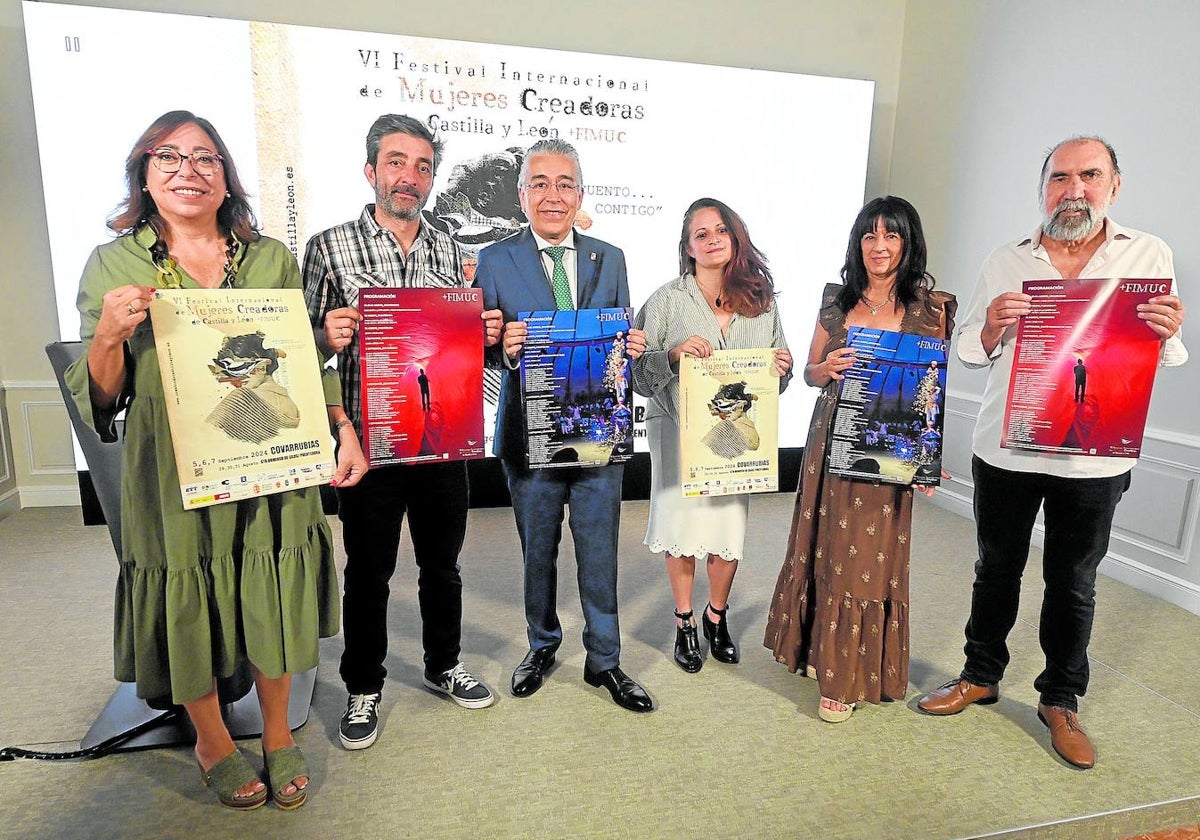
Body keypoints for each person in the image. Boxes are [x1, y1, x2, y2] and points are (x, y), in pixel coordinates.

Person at [65, 110, 367, 810]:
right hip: (173, 467)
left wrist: (340, 427)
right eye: (168, 158)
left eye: (204, 158)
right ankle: (211, 738)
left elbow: (298, 355)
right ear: (144, 174)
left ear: (226, 176)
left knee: (273, 578)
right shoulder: (116, 262)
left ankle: (274, 730)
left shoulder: (269, 259)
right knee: (189, 583)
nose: (188, 171)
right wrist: (109, 334)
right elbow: (102, 392)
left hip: (271, 456)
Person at [916, 136, 1187, 769]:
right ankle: (980, 675)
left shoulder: (1148, 255)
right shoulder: (1006, 260)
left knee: (1074, 583)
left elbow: (1162, 355)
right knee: (995, 569)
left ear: (1113, 185)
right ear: (1043, 189)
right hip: (1006, 450)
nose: (1074, 189)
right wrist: (988, 328)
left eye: (1089, 175)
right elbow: (968, 351)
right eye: (1060, 178)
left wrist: (1170, 335)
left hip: (1094, 458)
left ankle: (1060, 699)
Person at [303, 114, 504, 750]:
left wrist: (484, 335)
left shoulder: (453, 252)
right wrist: (322, 336)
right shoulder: (329, 247)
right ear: (371, 171)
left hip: (442, 438)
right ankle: (363, 686)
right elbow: (295, 352)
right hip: (366, 443)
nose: (408, 177)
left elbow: (461, 349)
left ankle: (445, 664)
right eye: (396, 162)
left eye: (421, 166)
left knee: (442, 567)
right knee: (368, 571)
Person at [473, 138, 653, 712]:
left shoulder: (612, 256)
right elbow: (477, 348)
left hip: (597, 430)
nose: (554, 196)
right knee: (537, 550)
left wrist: (632, 347)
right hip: (529, 434)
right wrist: (501, 345)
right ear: (522, 194)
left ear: (581, 194)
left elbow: (621, 345)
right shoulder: (496, 260)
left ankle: (606, 660)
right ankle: (542, 644)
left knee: (600, 550)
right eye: (541, 184)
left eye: (565, 184)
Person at [764, 196, 955, 722]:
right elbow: (808, 372)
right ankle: (817, 655)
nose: (879, 246)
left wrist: (926, 458)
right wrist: (825, 368)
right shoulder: (835, 300)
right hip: (830, 440)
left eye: (890, 235)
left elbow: (930, 390)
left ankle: (847, 674)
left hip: (887, 447)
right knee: (824, 546)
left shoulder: (928, 307)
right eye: (870, 236)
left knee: (866, 558)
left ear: (907, 242)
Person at [631, 198, 792, 673]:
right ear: (688, 247)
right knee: (681, 530)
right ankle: (684, 620)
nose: (713, 238)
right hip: (676, 430)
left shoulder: (761, 300)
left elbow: (777, 374)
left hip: (736, 440)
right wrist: (674, 354)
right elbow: (636, 375)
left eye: (720, 229)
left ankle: (714, 616)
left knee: (726, 531)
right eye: (701, 233)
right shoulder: (664, 300)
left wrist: (780, 370)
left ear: (735, 236)